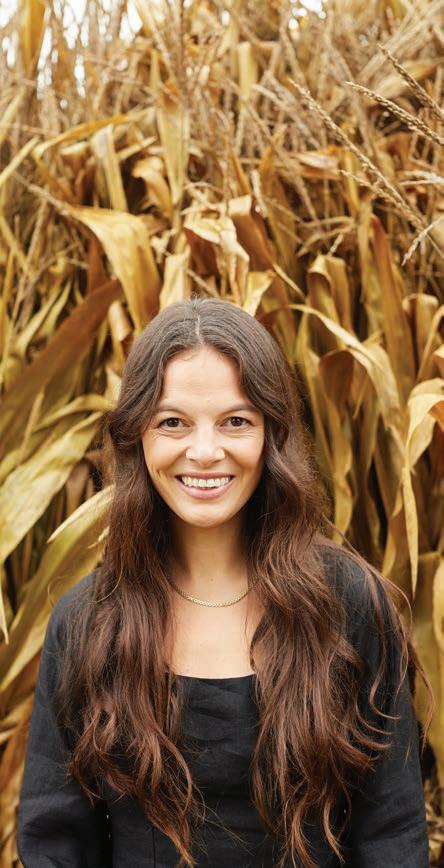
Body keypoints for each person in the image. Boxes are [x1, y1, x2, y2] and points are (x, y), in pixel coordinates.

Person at [17, 296, 433, 868]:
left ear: (272, 434)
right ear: (138, 436)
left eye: (236, 421)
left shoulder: (348, 604)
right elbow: (54, 843)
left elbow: (392, 833)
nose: (206, 452)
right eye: (173, 422)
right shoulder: (89, 622)